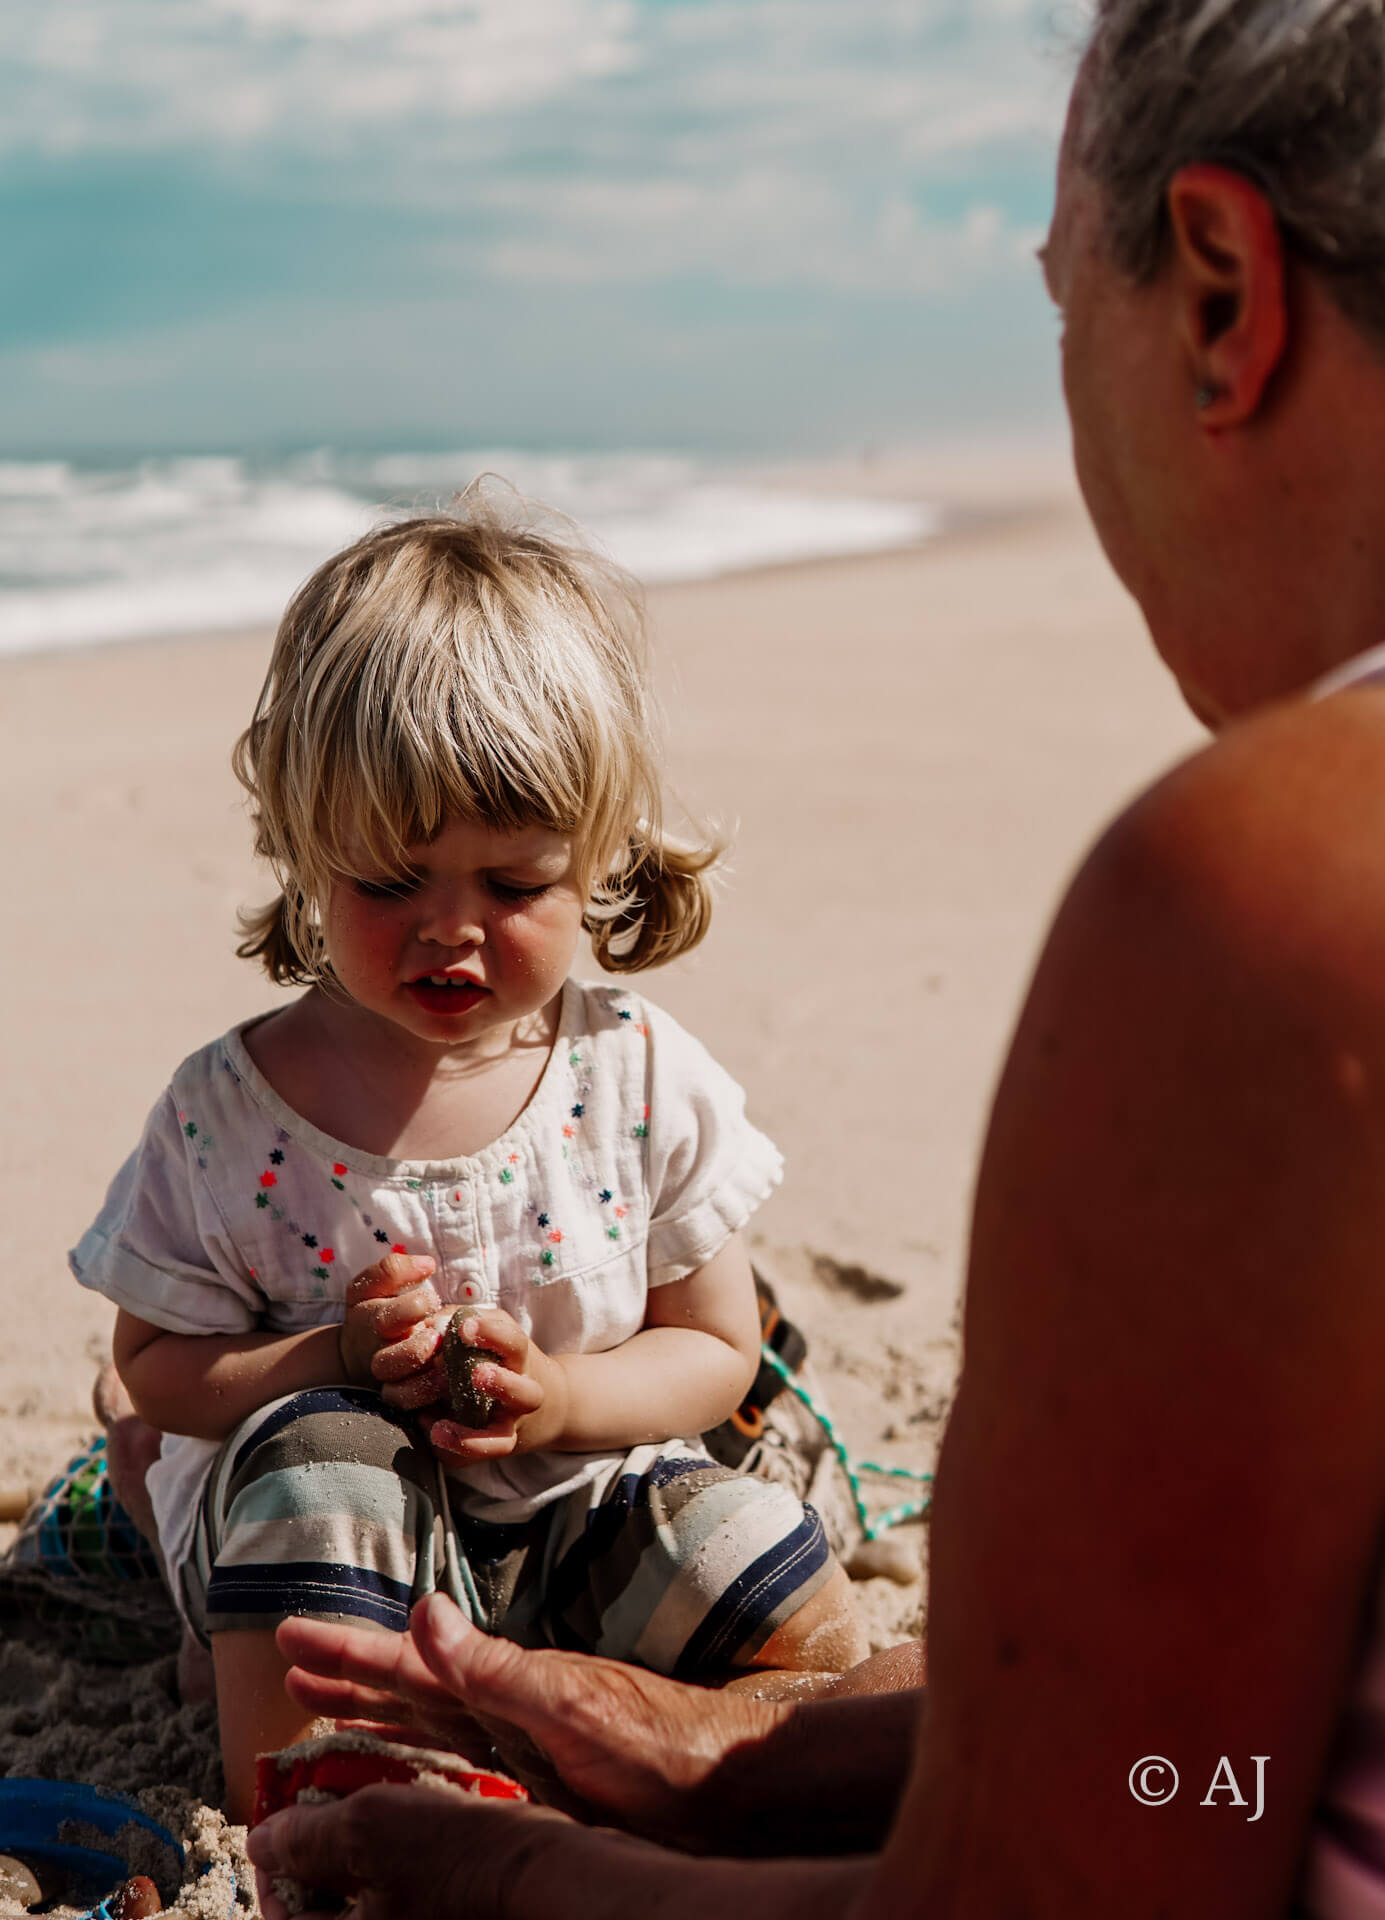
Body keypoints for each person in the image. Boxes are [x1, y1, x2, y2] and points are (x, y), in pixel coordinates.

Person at [247, 0, 1385, 1913]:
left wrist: (516, 1885)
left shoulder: (1287, 890)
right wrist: (763, 1753)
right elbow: (1224, 1762)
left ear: (1213, 291)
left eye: (1052, 308)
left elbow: (1086, 1875)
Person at [70, 500, 865, 1822]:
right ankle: (297, 1760)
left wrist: (555, 1395)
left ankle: (655, 1718)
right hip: (341, 1537)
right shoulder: (231, 1112)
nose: (452, 933)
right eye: (389, 882)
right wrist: (327, 1359)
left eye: (512, 886)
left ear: (598, 857)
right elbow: (154, 1369)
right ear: (305, 846)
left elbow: (716, 1350)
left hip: (571, 1508)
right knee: (318, 1469)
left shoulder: (638, 1071)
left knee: (746, 1536)